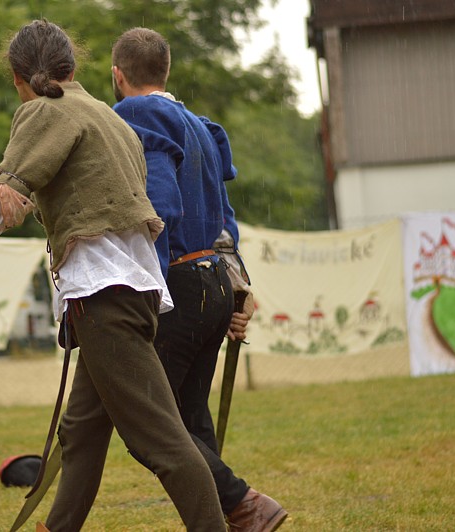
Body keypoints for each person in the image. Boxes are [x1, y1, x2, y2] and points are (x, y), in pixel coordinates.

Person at [0, 19, 227, 532]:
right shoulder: (108, 116)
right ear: (74, 66)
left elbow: (3, 202)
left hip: (103, 299)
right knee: (81, 432)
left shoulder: (43, 111)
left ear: (18, 77)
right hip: (135, 293)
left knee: (162, 442)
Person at [111, 28, 286, 531]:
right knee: (188, 418)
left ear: (118, 76)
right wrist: (239, 289)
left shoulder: (138, 114)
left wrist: (150, 288)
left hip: (180, 287)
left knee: (149, 426)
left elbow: (161, 205)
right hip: (214, 283)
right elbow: (225, 220)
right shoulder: (198, 124)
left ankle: (245, 503)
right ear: (166, 71)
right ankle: (227, 520)